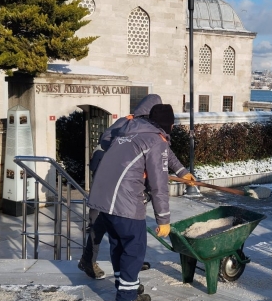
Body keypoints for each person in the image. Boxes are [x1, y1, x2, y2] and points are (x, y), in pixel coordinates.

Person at [78, 94, 196, 280]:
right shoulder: (127, 123)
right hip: (109, 178)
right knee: (101, 221)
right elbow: (107, 141)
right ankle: (88, 259)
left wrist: (181, 171)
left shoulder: (150, 131)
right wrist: (130, 158)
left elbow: (163, 150)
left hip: (130, 182)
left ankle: (130, 264)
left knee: (126, 224)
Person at [87, 103, 175, 301]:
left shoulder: (127, 134)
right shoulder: (156, 141)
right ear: (168, 125)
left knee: (119, 245)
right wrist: (164, 219)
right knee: (134, 249)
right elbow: (159, 185)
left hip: (102, 200)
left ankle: (126, 285)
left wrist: (181, 171)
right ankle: (126, 297)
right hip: (125, 202)